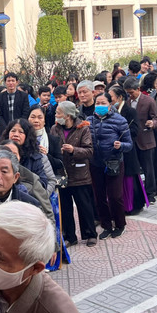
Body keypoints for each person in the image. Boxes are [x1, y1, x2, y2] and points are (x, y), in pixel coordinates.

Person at [50, 100, 98, 246]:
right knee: (65, 206)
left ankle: (90, 234)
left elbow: (89, 150)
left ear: (68, 116)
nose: (56, 115)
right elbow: (52, 149)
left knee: (84, 206)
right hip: (62, 174)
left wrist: (73, 150)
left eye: (58, 113)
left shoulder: (83, 128)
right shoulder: (55, 128)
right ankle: (70, 236)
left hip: (80, 174)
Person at [107, 87, 145, 217]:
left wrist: (120, 133)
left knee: (129, 178)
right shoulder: (108, 112)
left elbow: (135, 131)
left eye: (111, 97)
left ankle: (132, 206)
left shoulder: (130, 111)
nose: (109, 100)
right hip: (113, 152)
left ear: (120, 98)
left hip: (127, 150)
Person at [124, 77, 157, 204]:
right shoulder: (127, 102)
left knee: (148, 168)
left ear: (138, 89)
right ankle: (138, 192)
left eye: (132, 92)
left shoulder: (148, 101)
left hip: (146, 139)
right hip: (132, 140)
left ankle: (150, 193)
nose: (130, 95)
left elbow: (156, 118)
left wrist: (152, 123)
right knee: (136, 168)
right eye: (128, 93)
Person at [2, 119, 54, 194]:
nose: (16, 134)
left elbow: (44, 183)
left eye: (21, 132)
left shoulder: (36, 158)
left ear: (27, 136)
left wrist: (42, 198)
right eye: (13, 131)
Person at [29, 104, 64, 175]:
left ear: (44, 121)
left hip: (48, 179)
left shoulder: (53, 140)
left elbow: (59, 164)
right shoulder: (22, 138)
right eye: (33, 117)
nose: (36, 120)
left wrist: (46, 155)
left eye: (40, 117)